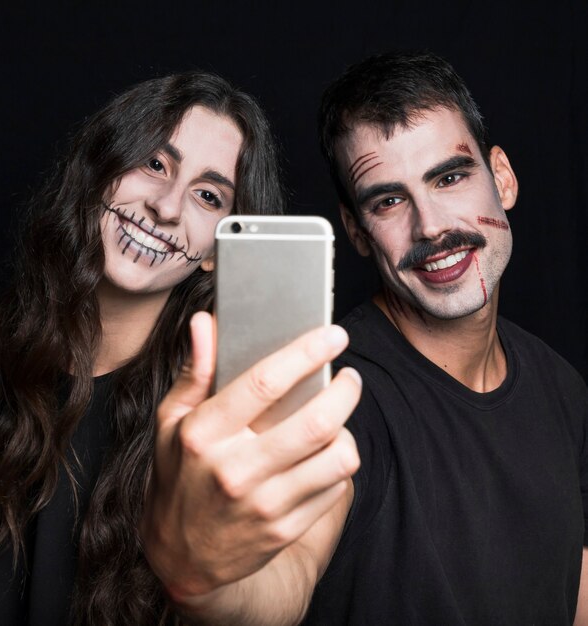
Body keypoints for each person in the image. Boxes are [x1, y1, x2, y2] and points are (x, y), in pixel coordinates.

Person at [140, 52, 588, 625]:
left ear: (502, 178)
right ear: (355, 229)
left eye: (449, 178)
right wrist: (205, 578)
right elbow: (283, 582)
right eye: (388, 200)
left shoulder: (563, 388)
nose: (429, 227)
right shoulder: (336, 395)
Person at [0, 71, 362, 625]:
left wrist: (204, 581)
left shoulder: (242, 417)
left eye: (207, 195)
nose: (168, 208)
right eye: (154, 163)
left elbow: (278, 597)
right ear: (101, 170)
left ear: (217, 249)